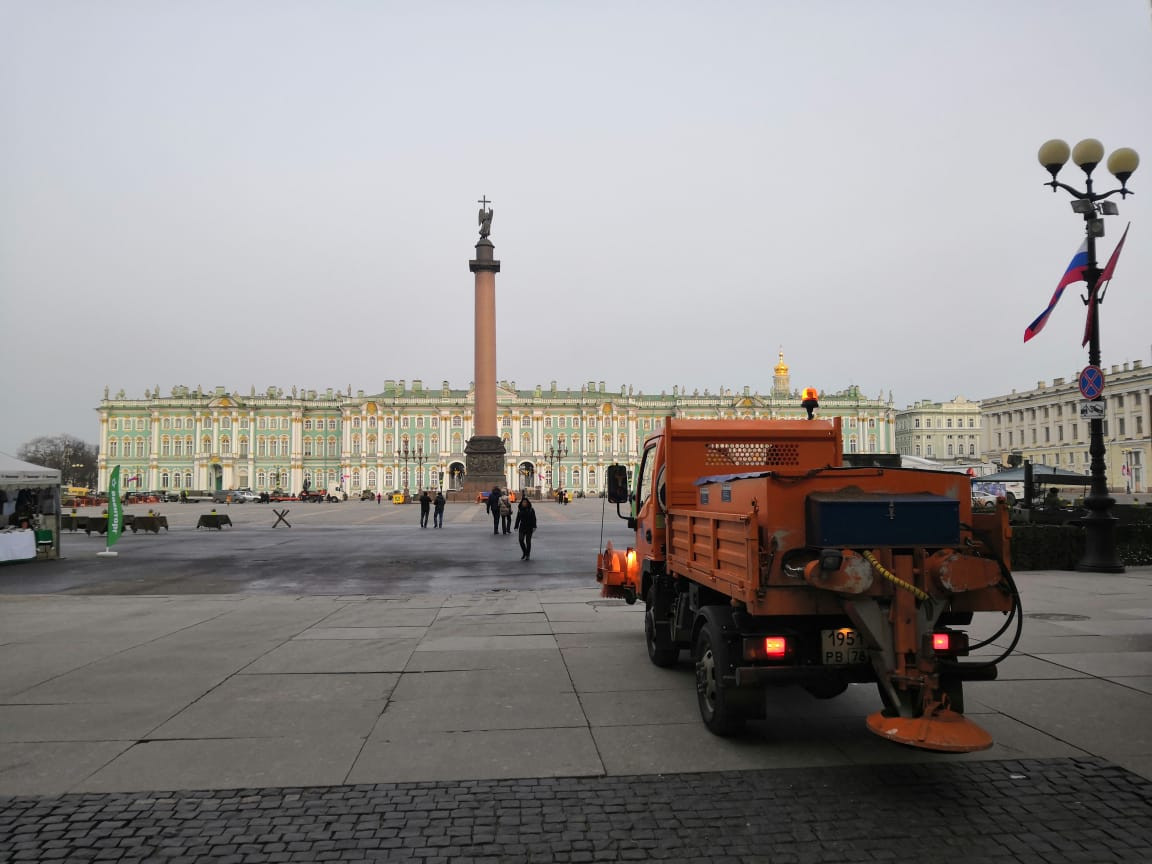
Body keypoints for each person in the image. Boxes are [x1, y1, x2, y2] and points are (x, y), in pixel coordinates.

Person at [514, 496, 537, 560]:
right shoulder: (520, 509)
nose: (524, 503)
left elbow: (534, 518)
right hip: (522, 527)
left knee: (528, 541)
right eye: (523, 502)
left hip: (529, 527)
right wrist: (516, 526)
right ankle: (525, 552)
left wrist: (534, 526)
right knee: (521, 540)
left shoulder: (531, 509)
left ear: (527, 503)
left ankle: (528, 554)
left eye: (525, 502)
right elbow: (518, 518)